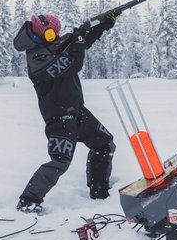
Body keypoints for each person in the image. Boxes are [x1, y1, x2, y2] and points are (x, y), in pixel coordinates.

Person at [13, 12, 118, 214]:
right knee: (60, 161)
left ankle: (99, 191)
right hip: (60, 118)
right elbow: (74, 62)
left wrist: (103, 25)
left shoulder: (50, 47)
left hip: (77, 112)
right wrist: (78, 39)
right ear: (44, 34)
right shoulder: (37, 57)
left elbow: (80, 42)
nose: (57, 36)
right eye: (53, 33)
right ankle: (28, 201)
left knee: (104, 144)